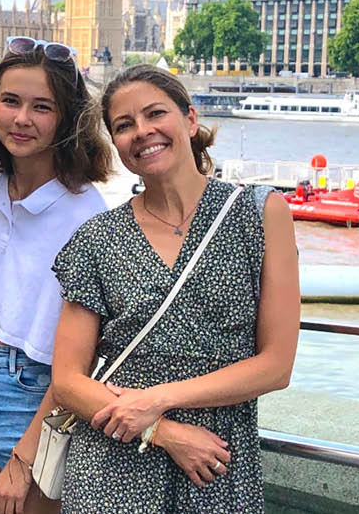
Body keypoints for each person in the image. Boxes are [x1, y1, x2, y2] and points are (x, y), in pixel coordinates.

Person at [50, 65, 300, 513]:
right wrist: (161, 430)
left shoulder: (259, 214)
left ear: (189, 118)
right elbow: (68, 381)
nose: (142, 132)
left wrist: (159, 400)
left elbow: (276, 365)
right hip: (115, 464)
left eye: (155, 114)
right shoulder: (96, 239)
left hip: (215, 463)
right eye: (124, 125)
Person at [0, 37, 113, 514]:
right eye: (10, 101)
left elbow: (80, 358)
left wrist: (25, 456)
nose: (21, 119)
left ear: (67, 118)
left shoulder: (85, 214)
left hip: (35, 392)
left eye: (41, 107)